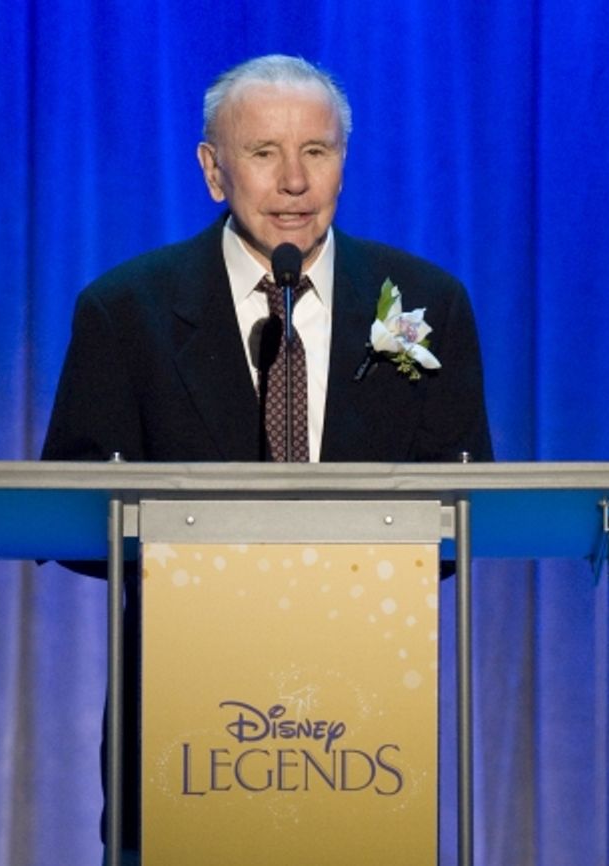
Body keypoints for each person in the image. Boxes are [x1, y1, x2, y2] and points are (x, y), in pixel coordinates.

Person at [41, 53, 492, 860]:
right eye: (263, 153)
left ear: (343, 164)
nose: (294, 181)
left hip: (362, 709)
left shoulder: (430, 305)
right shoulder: (125, 311)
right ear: (213, 170)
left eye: (316, 151)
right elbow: (75, 514)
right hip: (186, 703)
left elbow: (462, 509)